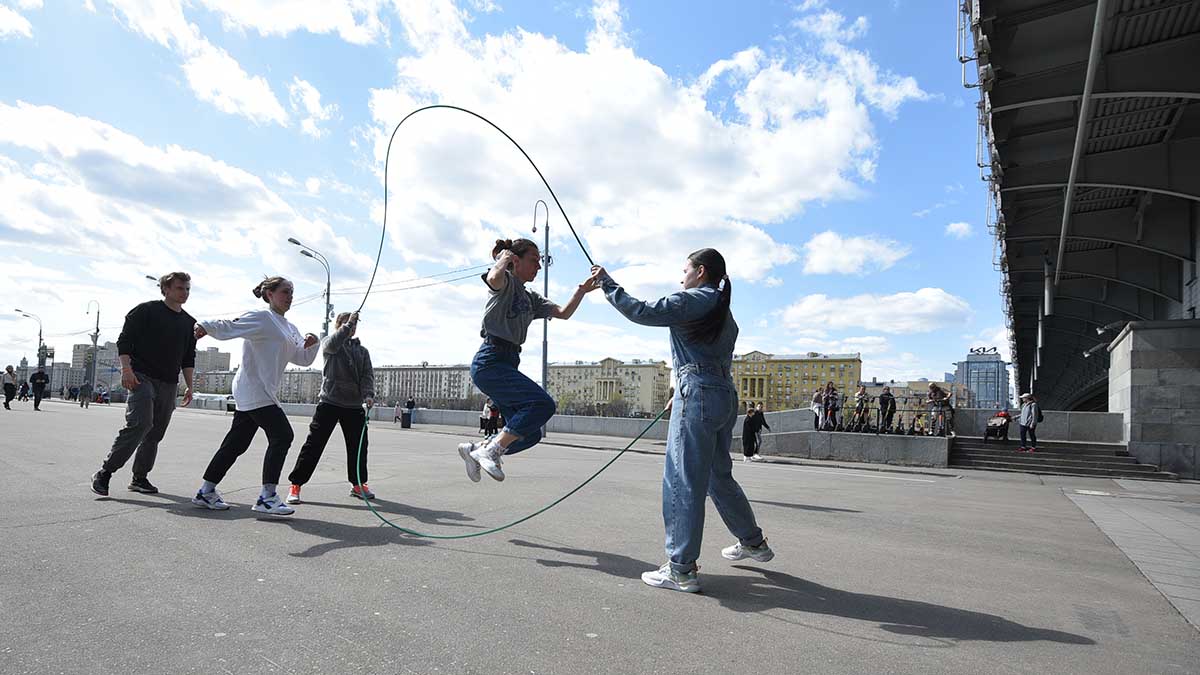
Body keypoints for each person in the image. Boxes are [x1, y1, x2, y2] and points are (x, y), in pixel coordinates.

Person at [590, 248, 773, 593]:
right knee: (719, 476)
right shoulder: (725, 312)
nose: (681, 277)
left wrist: (606, 283)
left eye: (684, 270)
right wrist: (685, 384)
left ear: (700, 271)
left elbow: (641, 311)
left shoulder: (691, 300)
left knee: (682, 479)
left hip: (699, 392)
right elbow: (706, 358)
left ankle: (680, 568)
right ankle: (753, 542)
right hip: (723, 393)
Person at [455, 238, 600, 483]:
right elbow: (493, 279)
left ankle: (475, 449)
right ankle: (491, 449)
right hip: (490, 360)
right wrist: (503, 257)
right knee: (543, 404)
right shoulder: (506, 282)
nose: (539, 267)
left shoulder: (531, 298)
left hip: (509, 361)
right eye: (534, 260)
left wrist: (582, 290)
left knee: (531, 435)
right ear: (516, 260)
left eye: (540, 262)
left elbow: (563, 313)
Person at [191, 276, 319, 515]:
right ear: (269, 294)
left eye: (292, 292)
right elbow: (231, 325)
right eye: (285, 291)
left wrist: (313, 342)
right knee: (282, 436)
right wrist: (206, 325)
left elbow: (303, 359)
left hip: (262, 391)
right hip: (253, 388)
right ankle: (267, 497)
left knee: (236, 443)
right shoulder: (262, 317)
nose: (290, 296)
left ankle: (206, 491)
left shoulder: (290, 328)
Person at [90, 272, 197, 496]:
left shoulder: (188, 322)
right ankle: (105, 473)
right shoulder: (146, 311)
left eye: (187, 288)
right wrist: (126, 370)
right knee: (140, 423)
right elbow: (124, 342)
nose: (184, 292)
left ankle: (140, 478)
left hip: (168, 383)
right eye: (180, 288)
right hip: (141, 376)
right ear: (165, 289)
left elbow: (188, 357)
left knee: (156, 432)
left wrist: (189, 385)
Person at [285, 312, 376, 504]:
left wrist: (368, 395)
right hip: (329, 402)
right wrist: (347, 324)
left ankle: (358, 484)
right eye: (347, 324)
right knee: (314, 445)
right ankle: (296, 485)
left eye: (354, 325)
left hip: (354, 405)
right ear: (338, 326)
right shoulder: (329, 344)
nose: (351, 328)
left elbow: (367, 375)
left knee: (358, 447)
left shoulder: (363, 351)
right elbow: (335, 342)